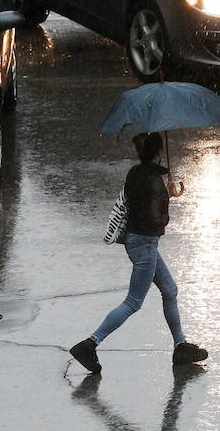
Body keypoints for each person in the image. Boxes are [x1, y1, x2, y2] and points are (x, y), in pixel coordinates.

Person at [70, 132, 207, 374]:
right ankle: (90, 344)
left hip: (139, 242)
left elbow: (139, 204)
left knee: (170, 290)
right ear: (158, 152)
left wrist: (166, 193)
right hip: (145, 244)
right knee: (133, 302)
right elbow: (156, 220)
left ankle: (180, 346)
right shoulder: (154, 181)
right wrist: (167, 196)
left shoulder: (136, 173)